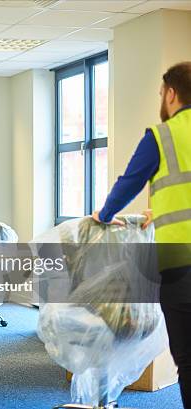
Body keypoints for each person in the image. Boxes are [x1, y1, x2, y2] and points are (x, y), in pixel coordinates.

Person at [93, 62, 191, 408]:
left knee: (189, 361)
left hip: (182, 266)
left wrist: (104, 215)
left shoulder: (163, 135)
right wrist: (158, 210)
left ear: (171, 93)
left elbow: (129, 183)